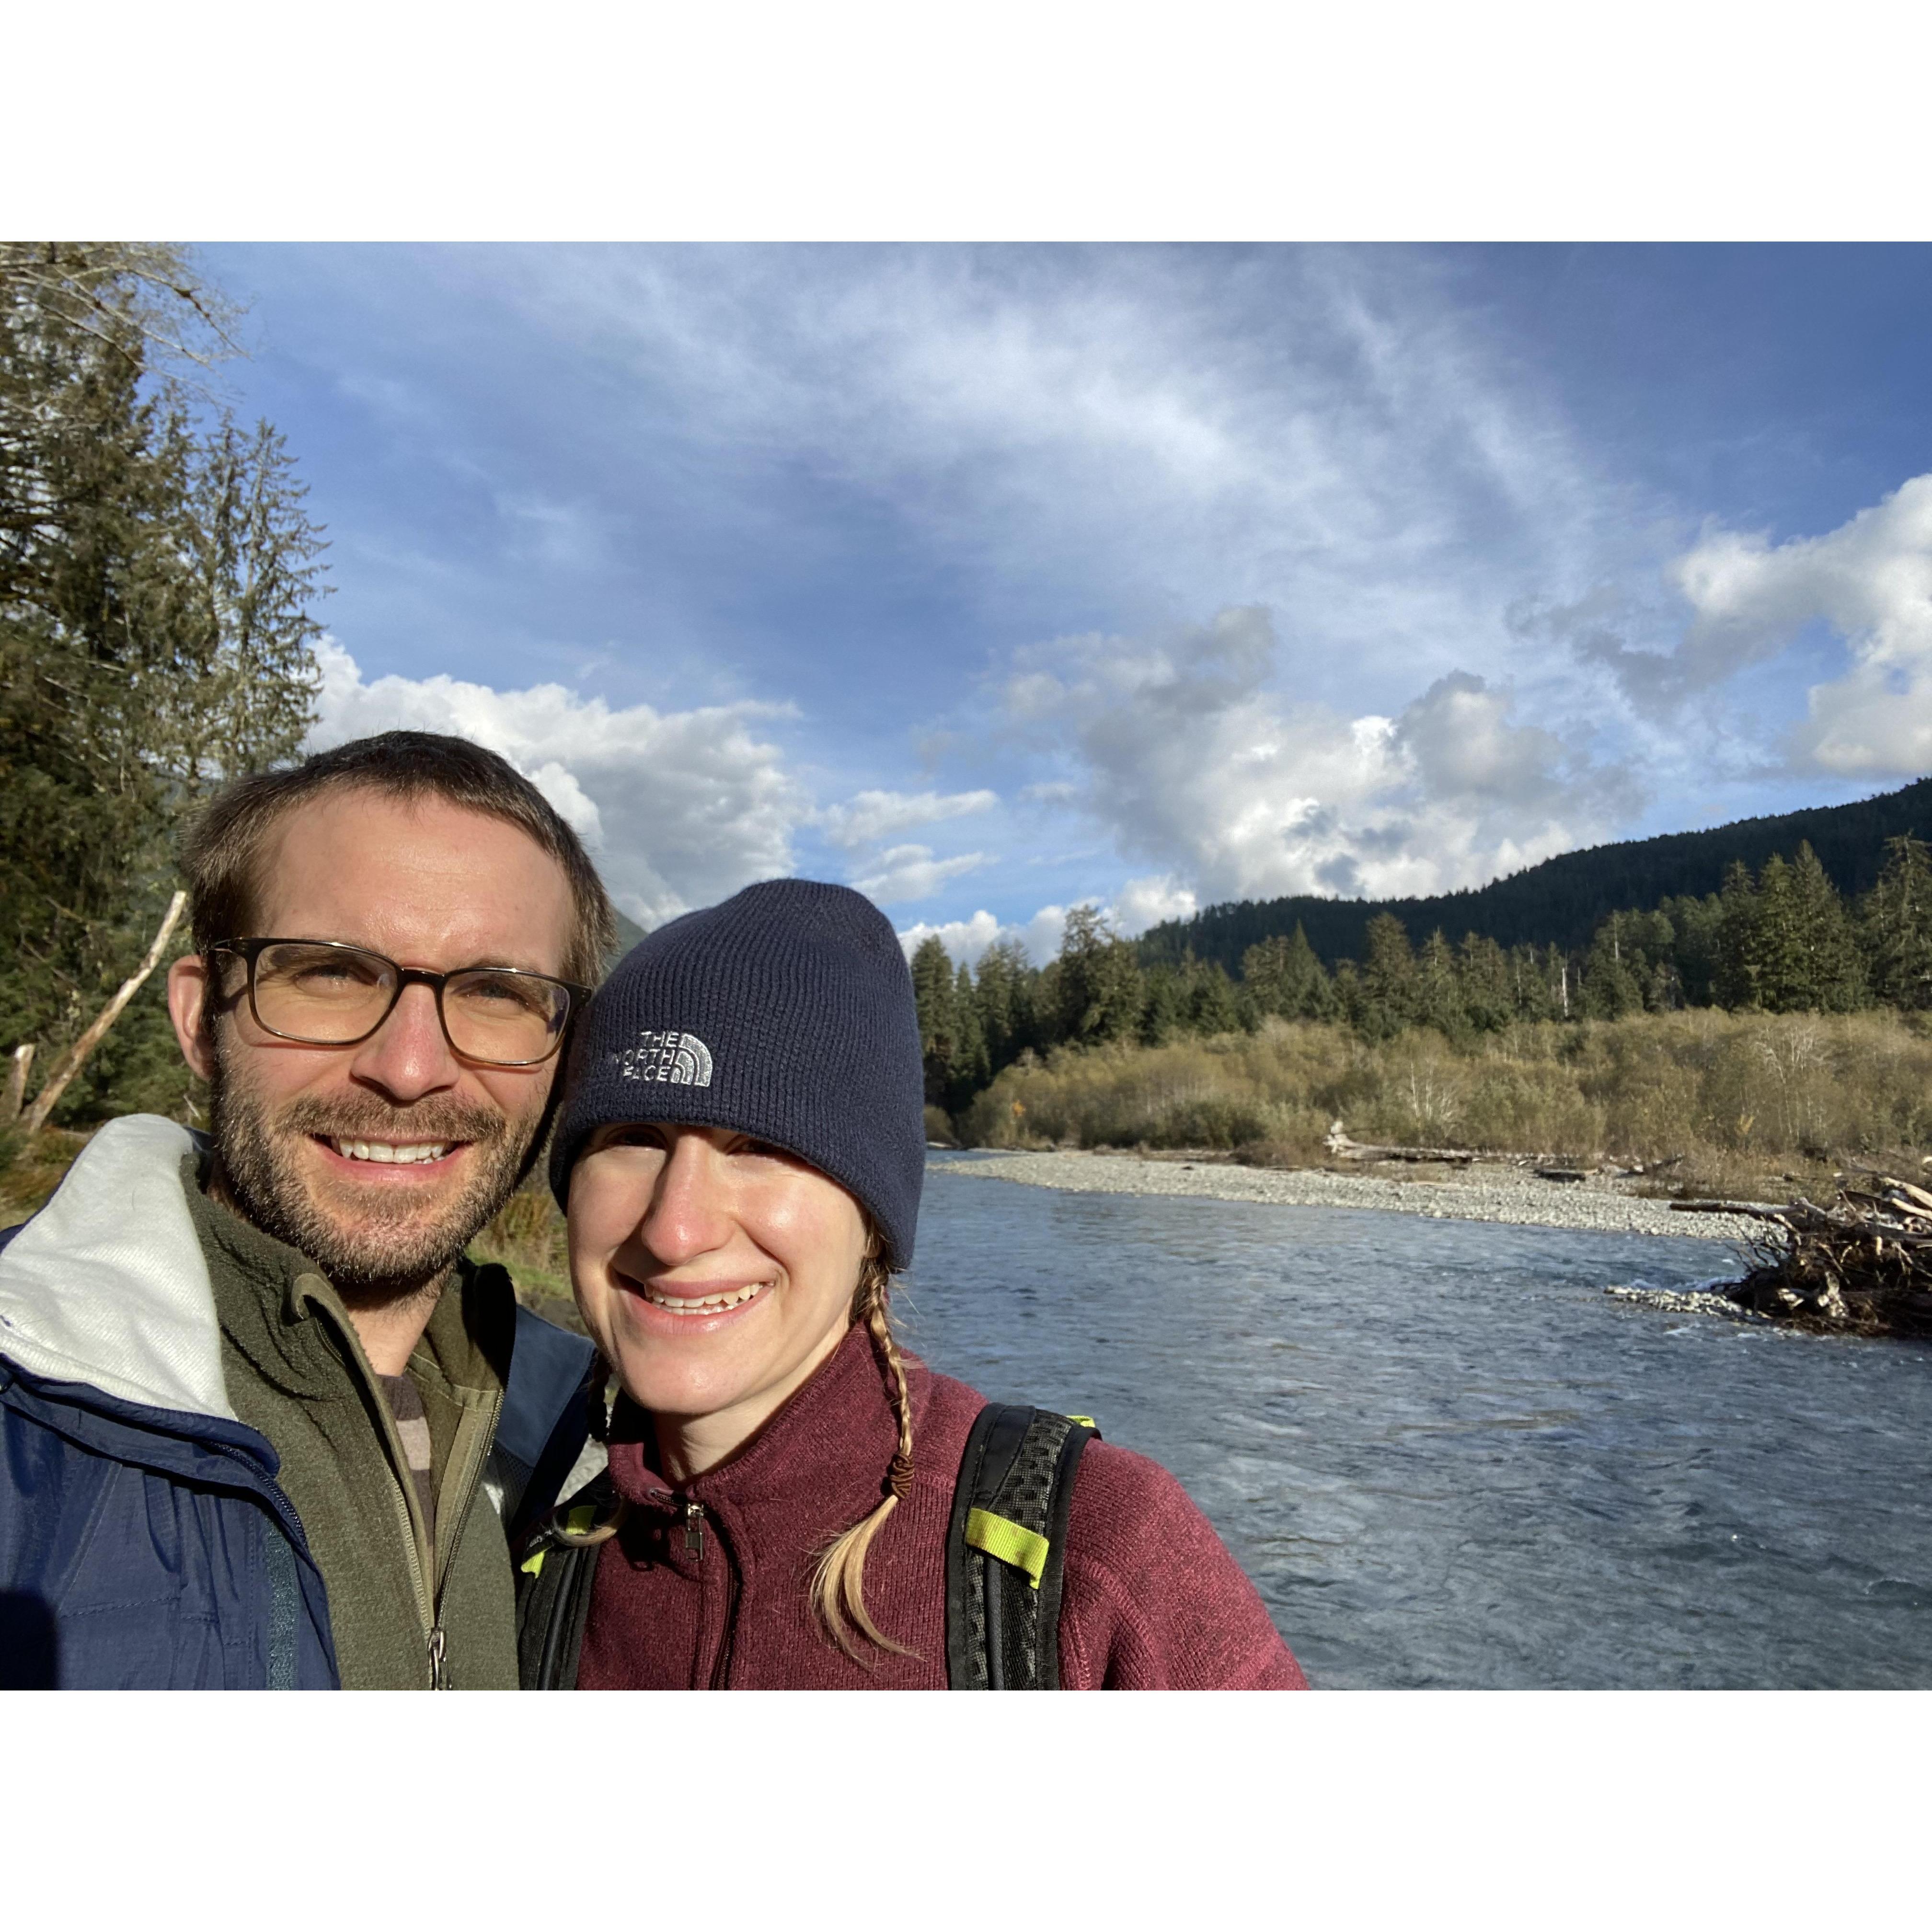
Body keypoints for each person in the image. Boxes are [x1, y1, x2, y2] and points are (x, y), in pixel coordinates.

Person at [517, 878, 1307, 1689]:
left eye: (757, 1145)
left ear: (873, 1226)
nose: (675, 1227)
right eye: (634, 1136)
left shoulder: (1105, 1553)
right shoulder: (531, 1545)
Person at [0, 731, 605, 1689]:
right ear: (204, 1019)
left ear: (563, 1060)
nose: (410, 1070)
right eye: (329, 972)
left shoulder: (581, 1452)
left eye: (496, 991)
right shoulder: (23, 1431)